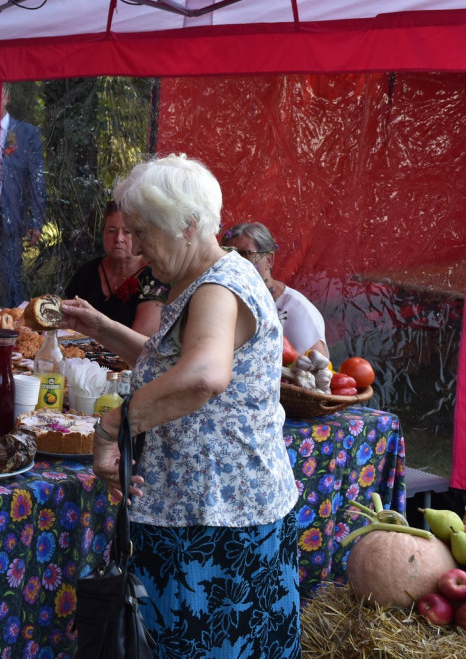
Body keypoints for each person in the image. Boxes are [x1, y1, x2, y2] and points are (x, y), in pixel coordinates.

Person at [60, 155, 301, 658]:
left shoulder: (219, 286)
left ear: (189, 226)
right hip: (200, 516)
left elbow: (203, 376)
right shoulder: (204, 280)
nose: (139, 249)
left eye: (146, 234)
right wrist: (103, 329)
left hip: (216, 527)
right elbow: (173, 362)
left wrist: (112, 427)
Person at [220, 221, 328, 356]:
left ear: (269, 260)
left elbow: (318, 368)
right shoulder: (223, 299)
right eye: (228, 253)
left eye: (245, 254)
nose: (235, 261)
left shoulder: (295, 308)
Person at [63, 200, 168, 336]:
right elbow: (65, 326)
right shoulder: (87, 273)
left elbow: (142, 341)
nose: (118, 238)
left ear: (141, 236)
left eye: (127, 232)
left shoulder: (155, 278)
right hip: (78, 356)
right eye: (111, 231)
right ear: (103, 234)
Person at [0, 84, 46, 306]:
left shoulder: (26, 133)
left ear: (6, 97)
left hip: (12, 219)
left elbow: (36, 179)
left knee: (10, 281)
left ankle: (14, 328)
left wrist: (35, 221)